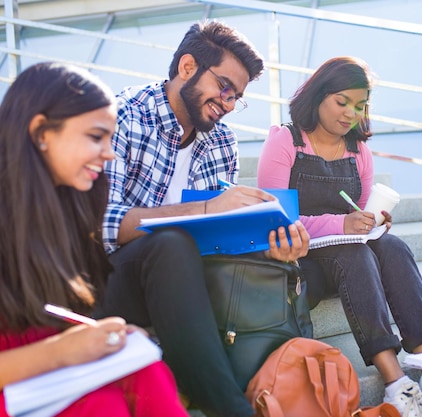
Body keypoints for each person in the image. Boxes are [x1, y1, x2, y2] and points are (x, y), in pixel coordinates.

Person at [97, 20, 309, 417]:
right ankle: (231, 408)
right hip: (108, 278)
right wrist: (204, 209)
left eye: (237, 97)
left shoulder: (221, 139)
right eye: (225, 88)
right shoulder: (123, 116)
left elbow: (224, 234)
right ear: (188, 67)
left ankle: (201, 371)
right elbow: (102, 226)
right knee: (170, 243)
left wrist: (273, 247)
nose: (228, 104)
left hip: (184, 284)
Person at [257, 56, 422, 417]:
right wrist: (341, 225)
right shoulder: (285, 141)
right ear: (318, 95)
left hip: (346, 257)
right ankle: (396, 382)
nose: (350, 114)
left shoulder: (359, 152)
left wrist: (373, 223)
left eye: (359, 106)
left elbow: (358, 215)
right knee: (354, 253)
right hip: (300, 258)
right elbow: (274, 223)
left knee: (392, 246)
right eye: (342, 102)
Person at [0, 62, 188, 417]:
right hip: (19, 377)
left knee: (144, 370)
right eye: (95, 137)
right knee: (103, 406)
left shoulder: (61, 211)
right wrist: (65, 350)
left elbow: (39, 314)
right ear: (41, 131)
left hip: (39, 365)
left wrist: (97, 334)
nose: (110, 152)